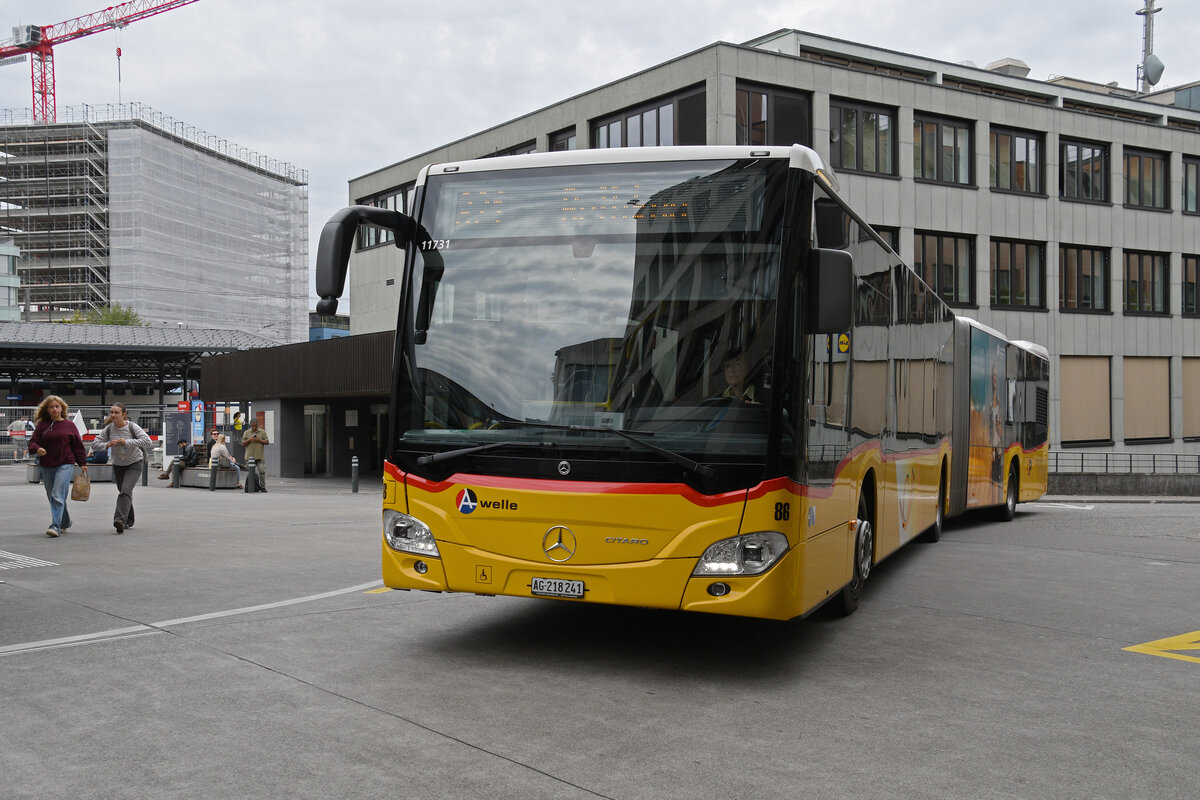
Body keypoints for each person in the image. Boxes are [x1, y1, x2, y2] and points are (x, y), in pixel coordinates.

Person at [28, 395, 88, 538]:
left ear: (62, 408)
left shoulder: (70, 426)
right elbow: (32, 443)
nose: (54, 409)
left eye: (57, 406)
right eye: (51, 407)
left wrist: (82, 463)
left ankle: (55, 525)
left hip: (65, 463)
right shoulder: (42, 425)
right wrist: (37, 449)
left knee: (57, 494)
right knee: (52, 495)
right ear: (47, 410)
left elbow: (78, 447)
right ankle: (65, 521)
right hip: (47, 464)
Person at [91, 402, 152, 534]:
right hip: (118, 464)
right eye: (111, 412)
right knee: (125, 492)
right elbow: (95, 444)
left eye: (116, 412)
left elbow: (147, 441)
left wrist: (127, 442)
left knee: (125, 490)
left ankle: (119, 520)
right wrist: (107, 445)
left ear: (124, 415)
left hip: (135, 463)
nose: (113, 415)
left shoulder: (132, 427)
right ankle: (129, 520)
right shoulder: (108, 429)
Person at [241, 417, 269, 492]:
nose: (253, 428)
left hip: (260, 456)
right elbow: (243, 443)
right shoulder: (246, 432)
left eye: (255, 426)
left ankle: (263, 486)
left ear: (258, 425)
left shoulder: (262, 432)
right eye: (252, 426)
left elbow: (267, 442)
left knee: (262, 471)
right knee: (251, 472)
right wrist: (250, 439)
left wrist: (259, 440)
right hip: (249, 457)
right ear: (250, 425)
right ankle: (251, 486)